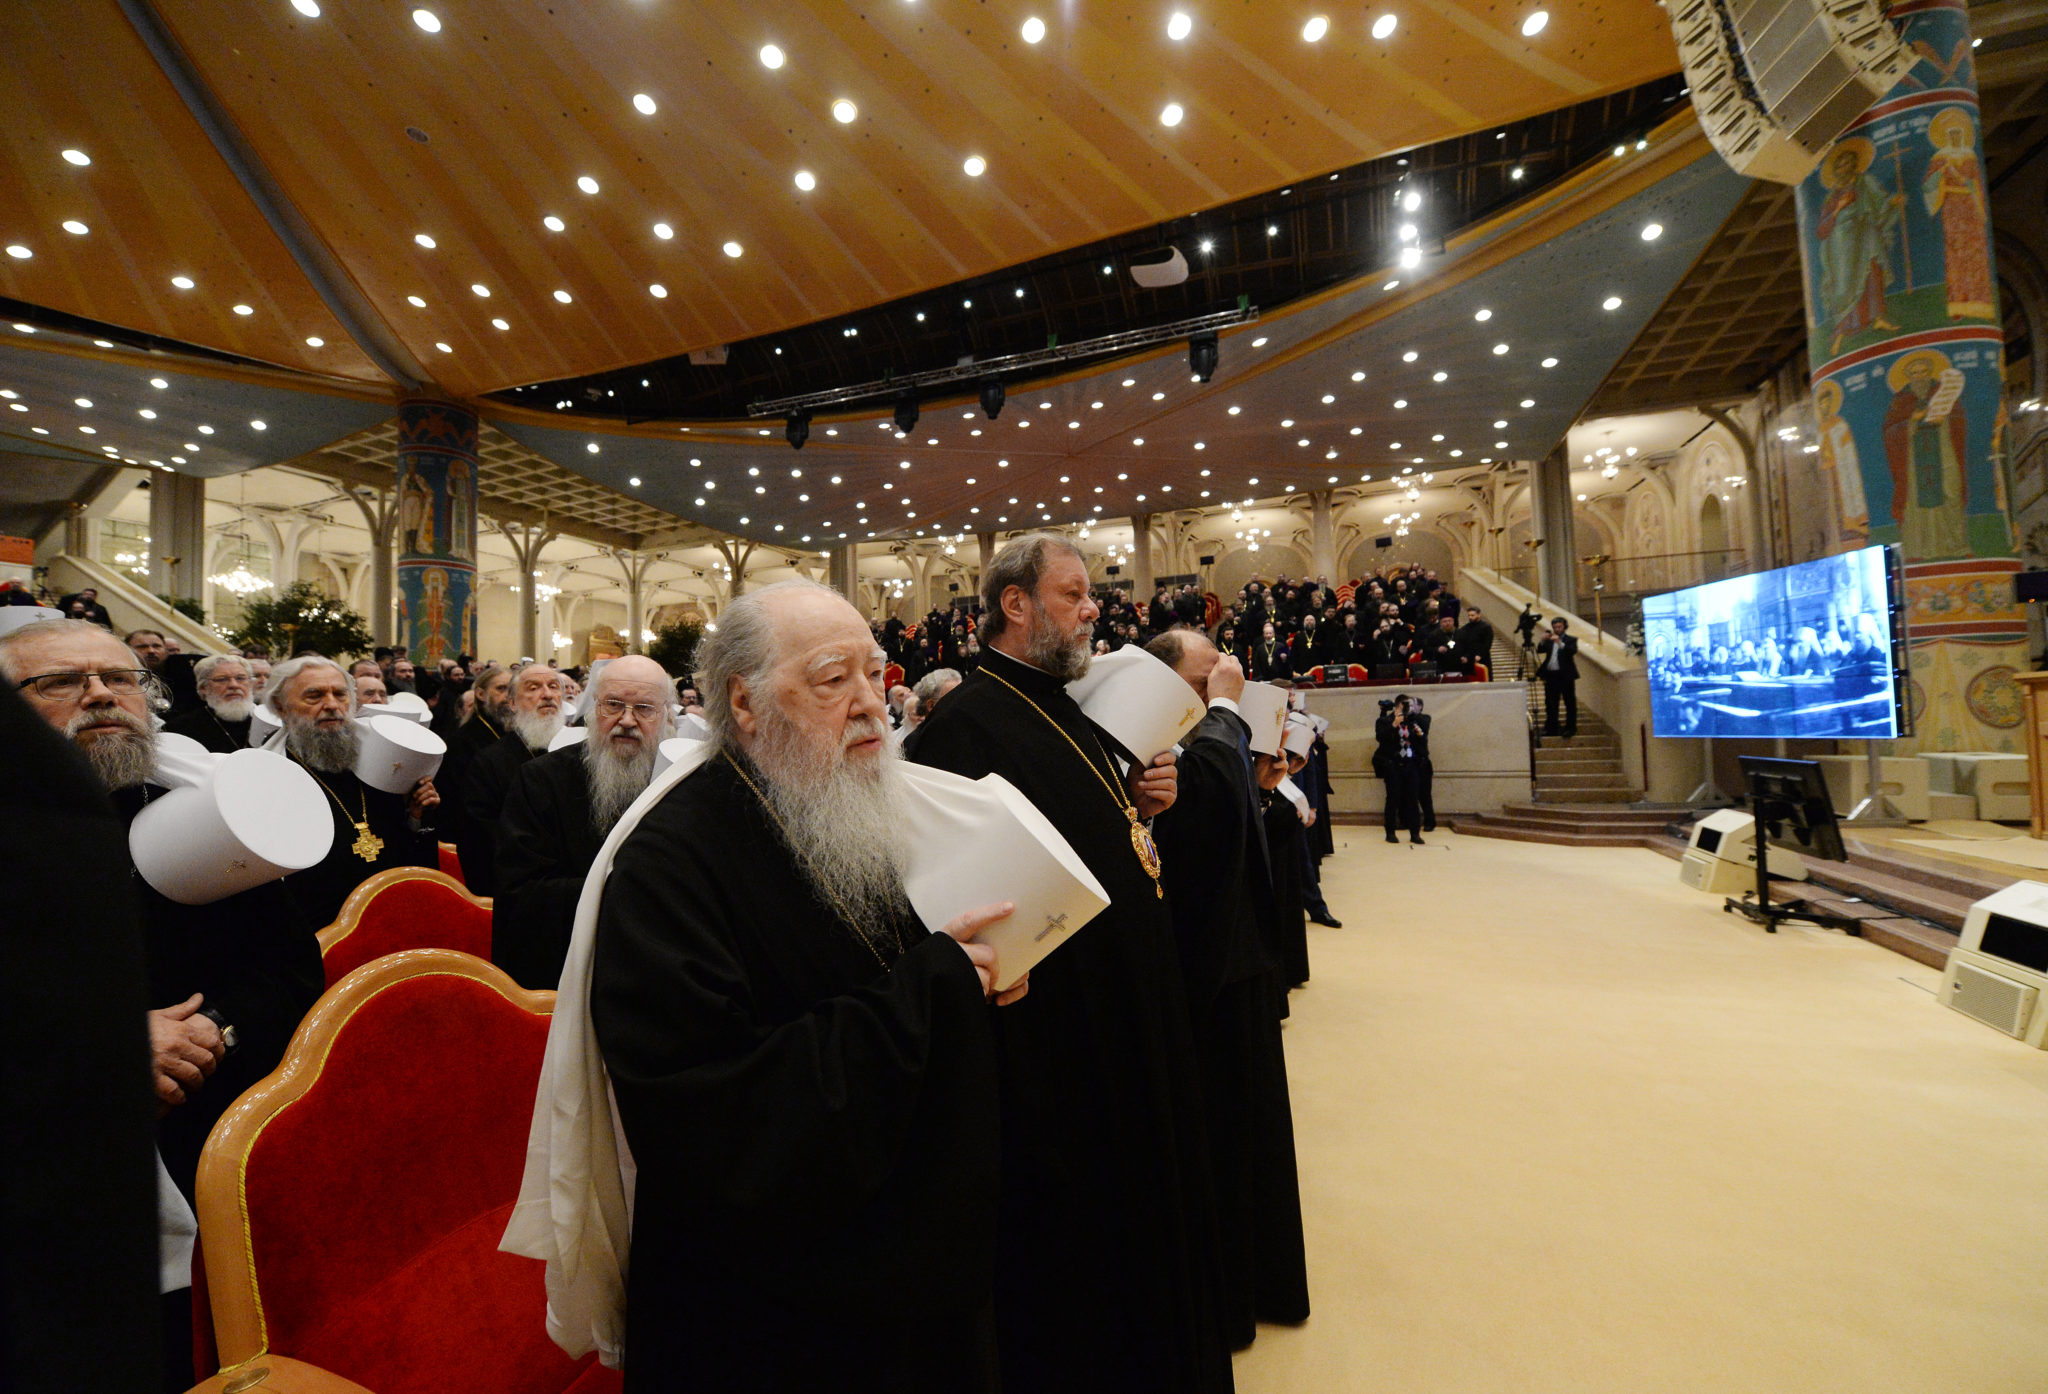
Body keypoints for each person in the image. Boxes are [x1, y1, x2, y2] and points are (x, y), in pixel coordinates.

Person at [589, 581, 1022, 1392]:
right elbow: (706, 1115)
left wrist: (976, 981)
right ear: (745, 703)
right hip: (775, 1309)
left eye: (874, 672)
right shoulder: (666, 865)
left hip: (906, 1244)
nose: (870, 703)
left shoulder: (854, 801)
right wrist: (933, 991)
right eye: (832, 679)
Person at [906, 534, 1234, 1394]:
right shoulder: (967, 723)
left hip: (1133, 1014)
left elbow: (1103, 835)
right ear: (1016, 605)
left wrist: (1142, 804)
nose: (1096, 609)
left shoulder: (1073, 705)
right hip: (1065, 1048)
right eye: (1075, 593)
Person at [0, 621, 324, 1198]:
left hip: (211, 1129)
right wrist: (104, 1046)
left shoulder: (194, 814)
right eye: (60, 682)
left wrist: (213, 1030)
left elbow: (289, 972)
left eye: (120, 679)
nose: (100, 694)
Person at [1145, 627, 1311, 1349]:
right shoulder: (1162, 743)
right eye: (1209, 669)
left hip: (1241, 961)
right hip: (1202, 971)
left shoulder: (1214, 736)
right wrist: (1226, 713)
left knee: (1256, 1138)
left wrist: (1259, 774)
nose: (1227, 676)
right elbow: (1205, 807)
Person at [492, 657, 672, 990]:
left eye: (644, 708)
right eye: (613, 705)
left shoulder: (682, 783)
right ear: (592, 711)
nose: (627, 720)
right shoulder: (541, 780)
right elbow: (522, 893)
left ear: (666, 717)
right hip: (572, 971)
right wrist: (629, 888)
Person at [270, 655, 440, 928]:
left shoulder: (381, 759)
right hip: (310, 927)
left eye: (340, 694)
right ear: (280, 706)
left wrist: (415, 817)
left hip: (394, 916)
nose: (332, 705)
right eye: (314, 696)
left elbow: (408, 850)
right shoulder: (268, 775)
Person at [459, 663, 563, 896]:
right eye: (534, 688)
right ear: (513, 703)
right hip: (520, 889)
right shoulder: (489, 763)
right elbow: (481, 841)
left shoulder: (580, 753)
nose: (547, 695)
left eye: (554, 687)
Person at [437, 663, 511, 866]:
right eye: (501, 688)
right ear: (480, 693)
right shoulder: (462, 741)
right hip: (477, 844)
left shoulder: (510, 733)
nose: (508, 696)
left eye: (512, 689)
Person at [165, 654, 257, 753]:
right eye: (222, 679)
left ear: (251, 684)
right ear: (203, 688)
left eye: (240, 678)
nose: (233, 685)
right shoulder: (179, 729)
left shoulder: (267, 723)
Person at [1375, 693, 1425, 845]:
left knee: (1412, 798)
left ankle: (1415, 833)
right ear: (1399, 705)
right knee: (1393, 798)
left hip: (1410, 764)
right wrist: (1394, 725)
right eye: (1407, 705)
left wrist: (1419, 735)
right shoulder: (1384, 721)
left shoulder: (1412, 722)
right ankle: (1390, 832)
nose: (1410, 708)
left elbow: (1419, 741)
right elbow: (1381, 738)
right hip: (1393, 764)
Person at [1535, 617, 1579, 739]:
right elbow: (1540, 650)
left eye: (1559, 627)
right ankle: (1552, 727)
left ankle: (1570, 728)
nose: (1557, 629)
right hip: (1551, 675)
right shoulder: (1550, 640)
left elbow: (1572, 651)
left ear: (1564, 627)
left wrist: (1559, 643)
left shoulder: (1571, 640)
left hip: (1565, 675)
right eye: (1555, 627)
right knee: (1550, 703)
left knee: (1569, 702)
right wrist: (1542, 640)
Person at [1455, 605, 1494, 677]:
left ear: (1479, 615)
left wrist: (1480, 655)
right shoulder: (1465, 628)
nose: (1470, 617)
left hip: (1483, 657)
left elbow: (1487, 643)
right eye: (1469, 615)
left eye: (1472, 615)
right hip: (1469, 658)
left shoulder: (1486, 627)